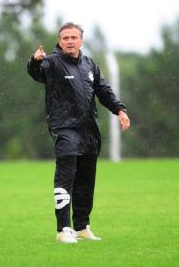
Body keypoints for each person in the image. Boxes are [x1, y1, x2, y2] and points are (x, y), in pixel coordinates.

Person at [27, 22, 130, 243]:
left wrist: (120, 109)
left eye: (74, 37)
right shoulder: (51, 63)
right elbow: (37, 73)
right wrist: (34, 61)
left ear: (81, 40)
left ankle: (82, 227)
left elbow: (103, 90)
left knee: (86, 182)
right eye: (66, 38)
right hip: (64, 129)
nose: (70, 41)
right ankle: (63, 229)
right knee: (66, 178)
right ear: (59, 41)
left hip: (88, 131)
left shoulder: (89, 64)